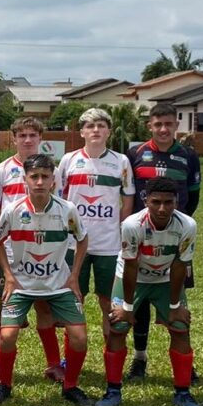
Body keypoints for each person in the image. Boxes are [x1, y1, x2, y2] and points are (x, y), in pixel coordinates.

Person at [0, 154, 94, 406]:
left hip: (58, 285)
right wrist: (10, 276)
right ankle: (4, 385)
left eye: (44, 177)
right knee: (8, 336)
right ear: (25, 179)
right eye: (34, 176)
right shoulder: (13, 211)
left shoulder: (67, 210)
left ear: (53, 180)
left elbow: (82, 240)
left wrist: (74, 276)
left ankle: (70, 386)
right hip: (22, 286)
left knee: (79, 337)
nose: (39, 182)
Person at [97, 177, 199, 406]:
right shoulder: (132, 224)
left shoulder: (187, 225)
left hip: (166, 279)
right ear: (146, 201)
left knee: (181, 327)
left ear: (176, 202)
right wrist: (128, 308)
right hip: (133, 277)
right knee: (118, 327)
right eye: (156, 202)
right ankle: (113, 390)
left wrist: (174, 305)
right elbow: (131, 266)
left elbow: (180, 266)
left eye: (168, 202)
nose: (162, 208)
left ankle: (183, 393)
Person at [125, 104, 201, 380]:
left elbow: (192, 197)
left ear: (176, 125)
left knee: (176, 297)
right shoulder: (134, 155)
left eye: (169, 124)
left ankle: (184, 364)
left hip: (174, 238)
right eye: (158, 124)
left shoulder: (188, 156)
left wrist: (173, 228)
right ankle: (140, 358)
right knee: (140, 300)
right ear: (150, 126)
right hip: (140, 237)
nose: (164, 129)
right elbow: (129, 194)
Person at [0, 116, 62, 383]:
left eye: (33, 135)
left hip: (44, 250)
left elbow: (60, 207)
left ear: (40, 138)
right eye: (22, 135)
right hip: (12, 251)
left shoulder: (53, 169)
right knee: (5, 305)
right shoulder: (1, 170)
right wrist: (8, 234)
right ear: (14, 138)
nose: (27, 140)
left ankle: (54, 364)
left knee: (44, 307)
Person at [56, 108, 134, 342]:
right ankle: (70, 359)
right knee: (72, 299)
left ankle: (111, 352)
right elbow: (59, 198)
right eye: (90, 126)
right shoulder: (69, 160)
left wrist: (119, 228)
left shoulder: (121, 161)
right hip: (74, 243)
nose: (96, 130)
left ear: (109, 131)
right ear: (82, 132)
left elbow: (128, 198)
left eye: (101, 125)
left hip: (108, 244)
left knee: (107, 301)